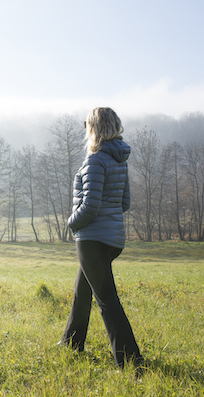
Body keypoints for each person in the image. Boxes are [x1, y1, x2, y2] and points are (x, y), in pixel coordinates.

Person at [60, 107, 143, 368]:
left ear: (94, 128)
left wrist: (71, 224)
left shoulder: (95, 160)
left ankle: (130, 361)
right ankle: (71, 342)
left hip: (92, 239)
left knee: (106, 300)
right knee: (82, 292)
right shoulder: (119, 160)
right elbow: (125, 202)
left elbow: (90, 205)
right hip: (112, 239)